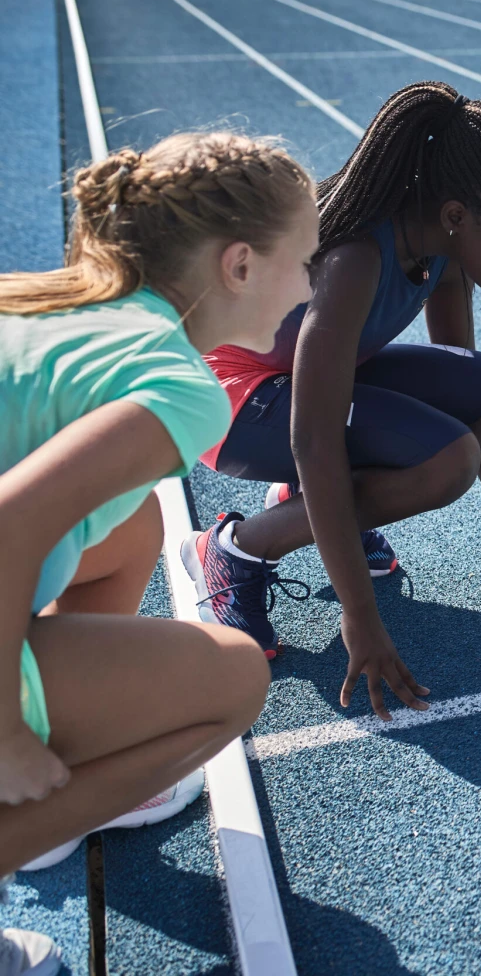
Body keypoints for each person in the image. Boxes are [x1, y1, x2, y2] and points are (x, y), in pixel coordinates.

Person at [0, 132, 319, 962]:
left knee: (130, 516)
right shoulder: (177, 387)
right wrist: (4, 733)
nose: (311, 287)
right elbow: (5, 524)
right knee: (234, 678)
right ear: (241, 266)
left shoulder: (53, 305)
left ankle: (62, 777)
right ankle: (17, 813)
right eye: (307, 262)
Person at [184, 81, 481, 723]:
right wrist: (359, 614)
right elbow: (312, 438)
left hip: (312, 383)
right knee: (442, 463)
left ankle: (307, 502)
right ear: (457, 213)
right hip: (232, 401)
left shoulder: (443, 249)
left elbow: (473, 403)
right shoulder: (355, 259)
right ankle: (236, 549)